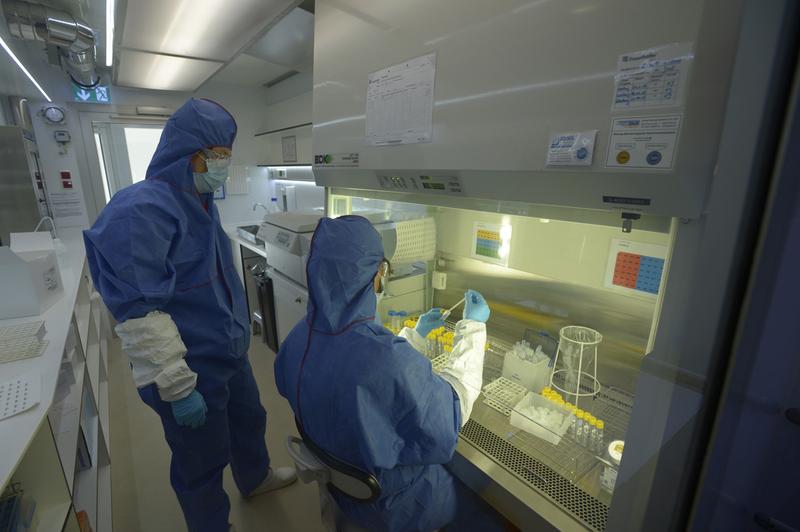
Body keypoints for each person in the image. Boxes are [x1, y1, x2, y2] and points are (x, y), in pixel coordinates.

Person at [83, 98, 296, 532]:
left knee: (250, 419)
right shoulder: (141, 209)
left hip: (228, 352)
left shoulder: (200, 202)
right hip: (188, 366)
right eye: (217, 156)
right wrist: (178, 388)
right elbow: (140, 314)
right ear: (189, 154)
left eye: (226, 157)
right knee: (201, 459)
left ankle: (254, 478)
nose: (223, 166)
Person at [274, 215, 504, 532]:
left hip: (341, 490)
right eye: (383, 270)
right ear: (377, 277)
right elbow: (450, 414)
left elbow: (361, 370)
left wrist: (416, 335)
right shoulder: (388, 361)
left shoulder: (299, 338)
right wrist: (474, 329)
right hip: (396, 503)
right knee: (488, 511)